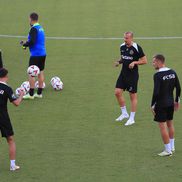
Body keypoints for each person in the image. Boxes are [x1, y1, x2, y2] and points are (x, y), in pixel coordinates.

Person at [114, 32, 147, 126]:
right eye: (124, 38)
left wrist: (135, 63)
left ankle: (132, 118)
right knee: (117, 92)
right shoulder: (122, 46)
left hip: (132, 76)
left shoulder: (137, 47)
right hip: (123, 74)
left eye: (127, 38)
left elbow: (145, 61)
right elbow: (123, 57)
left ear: (131, 38)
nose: (125, 39)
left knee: (132, 96)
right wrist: (118, 62)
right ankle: (124, 113)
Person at [151, 54, 181, 156]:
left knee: (163, 127)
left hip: (161, 105)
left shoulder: (157, 75)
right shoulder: (172, 72)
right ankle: (172, 147)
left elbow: (156, 92)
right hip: (170, 104)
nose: (153, 64)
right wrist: (177, 101)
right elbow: (179, 87)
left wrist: (152, 105)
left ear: (159, 62)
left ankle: (167, 150)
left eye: (154, 62)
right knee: (170, 124)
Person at [0, 68, 24, 171]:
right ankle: (12, 165)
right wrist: (22, 95)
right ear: (6, 76)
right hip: (3, 117)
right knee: (10, 140)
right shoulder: (7, 88)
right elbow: (16, 103)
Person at [20, 12, 46, 99]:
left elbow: (32, 41)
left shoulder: (33, 29)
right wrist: (26, 43)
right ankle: (39, 93)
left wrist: (25, 44)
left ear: (31, 19)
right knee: (41, 72)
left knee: (31, 74)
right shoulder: (40, 28)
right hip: (42, 54)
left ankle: (31, 94)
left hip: (35, 55)